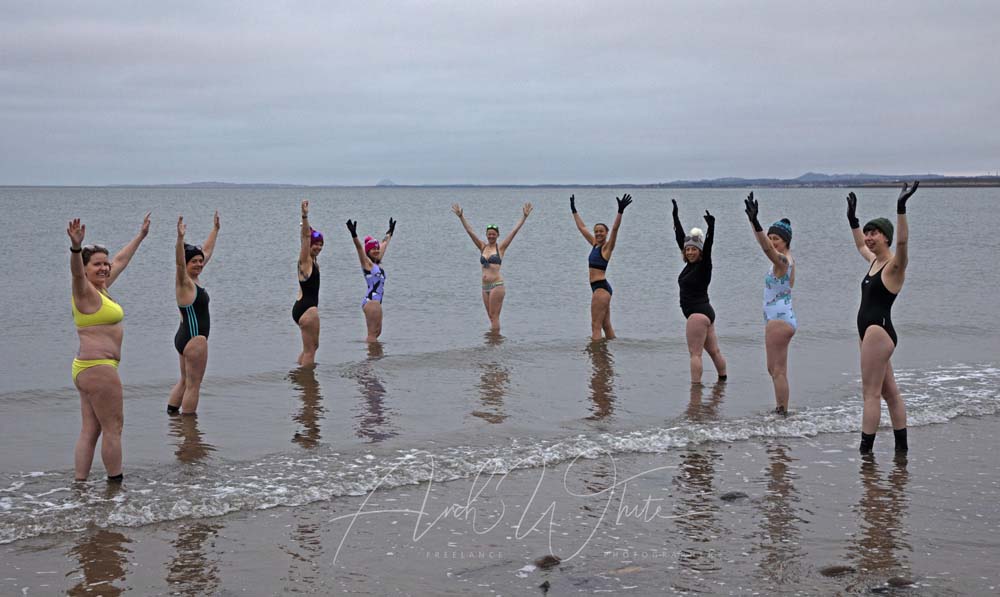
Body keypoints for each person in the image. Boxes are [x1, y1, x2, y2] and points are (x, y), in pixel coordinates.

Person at [67, 213, 150, 482]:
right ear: (86, 268)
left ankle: (80, 485)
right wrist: (76, 248)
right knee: (114, 429)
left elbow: (121, 261)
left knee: (90, 430)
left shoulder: (101, 289)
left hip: (86, 369)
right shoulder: (84, 292)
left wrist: (140, 236)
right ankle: (115, 488)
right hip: (99, 368)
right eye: (97, 265)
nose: (104, 268)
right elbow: (76, 273)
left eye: (105, 264)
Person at [847, 182, 919, 454]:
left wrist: (901, 208)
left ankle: (866, 453)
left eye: (874, 233)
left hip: (878, 333)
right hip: (871, 334)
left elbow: (902, 242)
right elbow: (858, 246)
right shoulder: (874, 262)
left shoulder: (894, 266)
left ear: (886, 237)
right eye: (867, 233)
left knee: (870, 394)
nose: (868, 237)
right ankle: (902, 448)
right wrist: (853, 220)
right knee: (890, 393)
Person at [744, 192, 796, 415]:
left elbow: (767, 250)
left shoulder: (783, 262)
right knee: (773, 369)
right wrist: (756, 226)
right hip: (780, 319)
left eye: (777, 239)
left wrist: (755, 223)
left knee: (778, 371)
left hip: (779, 321)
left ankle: (782, 411)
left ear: (786, 242)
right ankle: (781, 408)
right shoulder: (788, 262)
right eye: (771, 237)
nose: (773, 241)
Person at [168, 211, 220, 415]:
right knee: (194, 385)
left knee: (184, 381)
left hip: (184, 337)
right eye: (195, 262)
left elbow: (206, 251)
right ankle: (190, 431)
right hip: (194, 340)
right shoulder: (184, 282)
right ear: (187, 264)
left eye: (201, 261)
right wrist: (179, 239)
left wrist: (215, 230)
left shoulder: (194, 279)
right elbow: (180, 264)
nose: (199, 264)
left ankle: (172, 419)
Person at [451, 202, 533, 331]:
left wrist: (524, 217)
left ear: (497, 235)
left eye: (493, 234)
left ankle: (494, 342)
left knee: (495, 316)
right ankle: (494, 344)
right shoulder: (482, 247)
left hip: (497, 285)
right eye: (489, 233)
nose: (491, 236)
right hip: (485, 287)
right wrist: (461, 217)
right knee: (490, 316)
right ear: (486, 235)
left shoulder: (500, 248)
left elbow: (514, 232)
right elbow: (469, 231)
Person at [672, 199, 727, 384]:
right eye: (687, 249)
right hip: (706, 313)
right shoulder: (689, 265)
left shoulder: (704, 266)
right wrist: (675, 217)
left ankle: (695, 392)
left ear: (700, 251)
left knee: (695, 355)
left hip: (697, 315)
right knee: (714, 351)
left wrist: (712, 227)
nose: (689, 252)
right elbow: (680, 238)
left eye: (693, 249)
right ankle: (723, 382)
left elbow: (709, 247)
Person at [571, 193, 631, 341]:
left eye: (601, 231)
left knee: (595, 325)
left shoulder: (606, 248)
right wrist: (574, 210)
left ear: (606, 233)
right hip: (600, 288)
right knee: (606, 324)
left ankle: (597, 357)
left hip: (601, 288)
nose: (598, 233)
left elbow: (616, 229)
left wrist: (620, 211)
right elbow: (582, 227)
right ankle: (611, 351)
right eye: (596, 231)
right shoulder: (594, 244)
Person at [346, 217, 395, 342]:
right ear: (368, 251)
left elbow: (384, 245)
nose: (376, 250)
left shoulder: (376, 263)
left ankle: (374, 358)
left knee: (377, 332)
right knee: (372, 335)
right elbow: (359, 249)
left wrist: (390, 232)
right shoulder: (367, 264)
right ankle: (371, 360)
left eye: (377, 248)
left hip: (376, 302)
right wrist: (354, 235)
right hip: (371, 301)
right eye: (373, 249)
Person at [293, 200, 323, 366]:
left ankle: (301, 377)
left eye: (320, 244)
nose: (318, 247)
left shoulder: (312, 262)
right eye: (315, 243)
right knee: (310, 350)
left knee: (311, 348)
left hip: (304, 307)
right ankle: (308, 388)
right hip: (307, 310)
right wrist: (304, 216)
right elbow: (305, 237)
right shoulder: (305, 261)